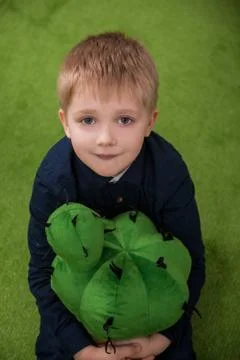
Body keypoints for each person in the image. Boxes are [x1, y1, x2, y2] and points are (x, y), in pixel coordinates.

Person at [27, 31, 205, 360]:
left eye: (124, 120)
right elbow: (41, 271)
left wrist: (162, 338)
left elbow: (192, 261)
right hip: (80, 304)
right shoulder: (53, 181)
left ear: (149, 122)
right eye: (88, 120)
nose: (105, 139)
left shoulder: (169, 173)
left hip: (149, 297)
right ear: (65, 123)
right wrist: (82, 349)